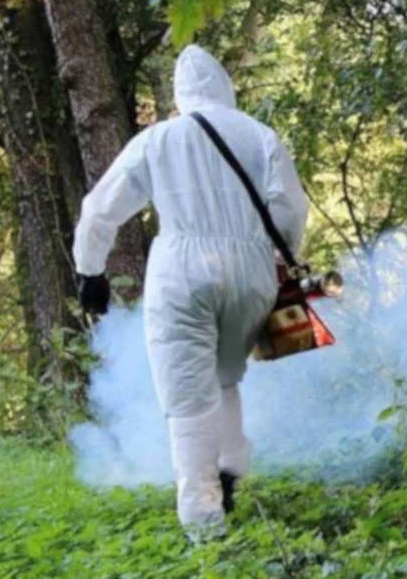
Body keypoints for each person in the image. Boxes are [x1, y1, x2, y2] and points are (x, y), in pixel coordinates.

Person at [72, 44, 309, 538]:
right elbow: (290, 212)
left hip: (181, 270)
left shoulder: (157, 140)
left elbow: (101, 208)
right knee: (224, 377)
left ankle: (204, 522)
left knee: (187, 395)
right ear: (226, 87)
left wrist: (89, 269)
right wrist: (269, 257)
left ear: (181, 94)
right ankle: (231, 468)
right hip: (251, 274)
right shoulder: (260, 135)